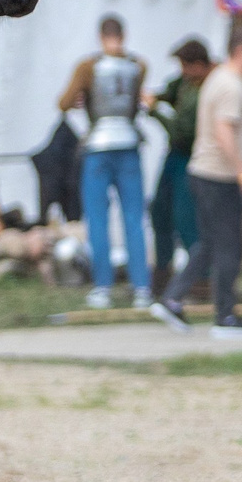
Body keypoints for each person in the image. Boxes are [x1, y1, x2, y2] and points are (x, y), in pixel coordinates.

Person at [152, 22, 242, 339]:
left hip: (203, 172)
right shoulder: (229, 85)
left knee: (209, 243)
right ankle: (225, 315)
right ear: (240, 49)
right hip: (219, 175)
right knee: (229, 245)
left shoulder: (218, 79)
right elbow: (223, 131)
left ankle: (173, 298)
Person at [56, 15, 151, 309]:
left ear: (101, 36)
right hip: (129, 141)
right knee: (134, 218)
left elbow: (64, 102)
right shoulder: (138, 66)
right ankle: (141, 287)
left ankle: (103, 286)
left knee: (97, 218)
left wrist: (81, 98)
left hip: (99, 143)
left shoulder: (88, 67)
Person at [147, 38, 211, 278]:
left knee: (185, 217)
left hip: (190, 157)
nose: (182, 71)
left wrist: (154, 111)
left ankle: (201, 275)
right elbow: (171, 90)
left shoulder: (203, 92)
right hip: (174, 157)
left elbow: (181, 132)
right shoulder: (187, 84)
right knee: (160, 211)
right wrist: (158, 97)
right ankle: (163, 269)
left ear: (198, 65)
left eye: (185, 65)